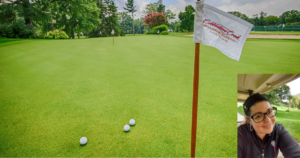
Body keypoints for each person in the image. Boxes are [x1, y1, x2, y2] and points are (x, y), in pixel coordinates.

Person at [238, 93, 300, 158]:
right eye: (258, 116)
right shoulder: (240, 135)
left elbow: (296, 154)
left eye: (270, 111)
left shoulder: (278, 130)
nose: (268, 120)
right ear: (248, 120)